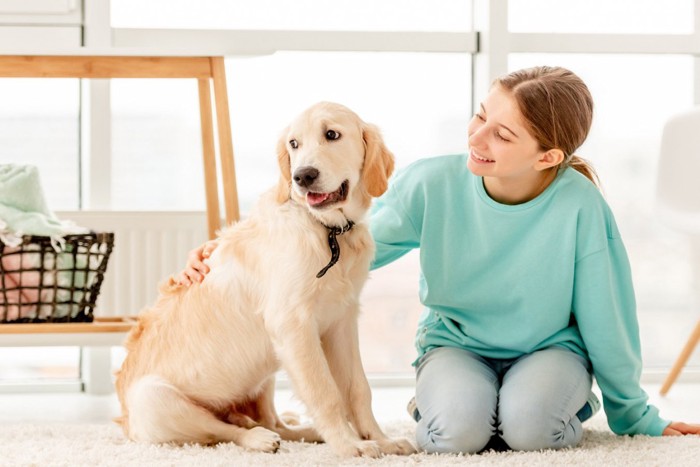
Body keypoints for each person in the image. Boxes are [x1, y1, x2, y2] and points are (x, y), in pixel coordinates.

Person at [177, 66, 700, 453]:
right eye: (481, 116)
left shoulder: (580, 206)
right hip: (457, 347)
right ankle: (463, 401)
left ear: (548, 157)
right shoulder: (432, 183)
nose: (477, 137)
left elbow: (608, 317)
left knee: (533, 430)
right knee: (454, 434)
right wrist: (226, 257)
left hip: (549, 351)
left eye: (503, 133)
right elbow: (343, 251)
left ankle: (524, 403)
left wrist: (637, 416)